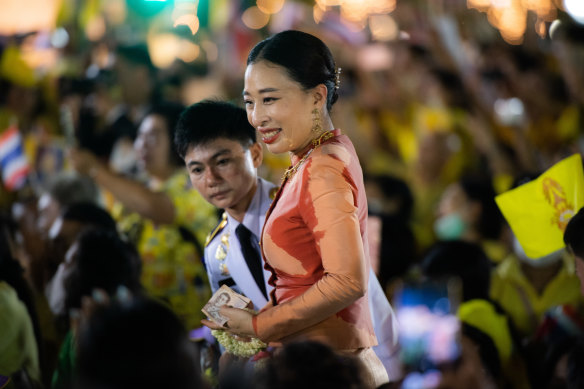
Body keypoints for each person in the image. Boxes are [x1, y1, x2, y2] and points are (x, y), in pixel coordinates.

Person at [200, 30, 389, 387]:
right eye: (250, 102)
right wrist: (260, 324)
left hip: (328, 370)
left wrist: (260, 326)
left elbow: (347, 281)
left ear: (317, 97)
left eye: (269, 100)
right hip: (314, 359)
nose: (256, 118)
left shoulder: (322, 168)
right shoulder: (316, 155)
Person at [175, 100, 400, 380]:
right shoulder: (216, 251)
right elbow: (232, 331)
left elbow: (366, 295)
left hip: (344, 366)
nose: (211, 179)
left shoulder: (306, 207)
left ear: (255, 154)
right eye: (197, 169)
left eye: (222, 161)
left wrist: (392, 369)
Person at [70, 102, 218, 331]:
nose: (142, 144)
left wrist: (94, 170)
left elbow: (156, 207)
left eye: (153, 136)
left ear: (177, 141)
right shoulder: (134, 189)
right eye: (139, 136)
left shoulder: (194, 183)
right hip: (140, 323)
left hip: (190, 329)